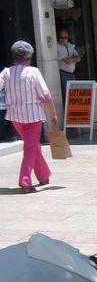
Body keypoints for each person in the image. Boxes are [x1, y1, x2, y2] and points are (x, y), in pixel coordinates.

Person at [0, 40, 57, 194]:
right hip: (33, 118)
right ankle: (25, 181)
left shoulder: (6, 72)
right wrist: (53, 113)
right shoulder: (33, 72)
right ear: (28, 57)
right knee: (30, 148)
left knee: (33, 146)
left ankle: (44, 175)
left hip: (15, 117)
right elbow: (45, 95)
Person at [57, 28, 81, 99]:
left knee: (73, 94)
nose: (64, 39)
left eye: (65, 37)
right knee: (67, 94)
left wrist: (71, 59)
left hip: (72, 73)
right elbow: (66, 61)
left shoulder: (70, 45)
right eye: (62, 37)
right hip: (63, 73)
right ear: (59, 37)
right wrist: (73, 59)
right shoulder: (57, 46)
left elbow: (78, 58)